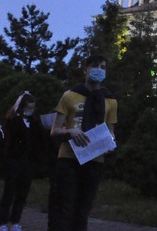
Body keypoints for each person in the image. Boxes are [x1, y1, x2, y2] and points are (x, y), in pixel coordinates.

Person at [50, 55, 117, 231]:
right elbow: (54, 130)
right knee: (65, 207)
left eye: (103, 67)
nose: (99, 70)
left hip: (94, 160)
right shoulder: (70, 95)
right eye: (95, 66)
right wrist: (69, 132)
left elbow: (111, 132)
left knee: (83, 209)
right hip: (69, 159)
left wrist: (110, 144)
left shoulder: (110, 101)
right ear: (85, 70)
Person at [0, 91, 45, 231]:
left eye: (32, 108)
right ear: (22, 107)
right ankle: (3, 221)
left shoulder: (35, 122)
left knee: (22, 192)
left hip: (28, 161)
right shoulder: (13, 121)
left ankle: (15, 220)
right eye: (28, 107)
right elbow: (8, 138)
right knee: (9, 191)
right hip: (14, 160)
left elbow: (39, 141)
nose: (30, 111)